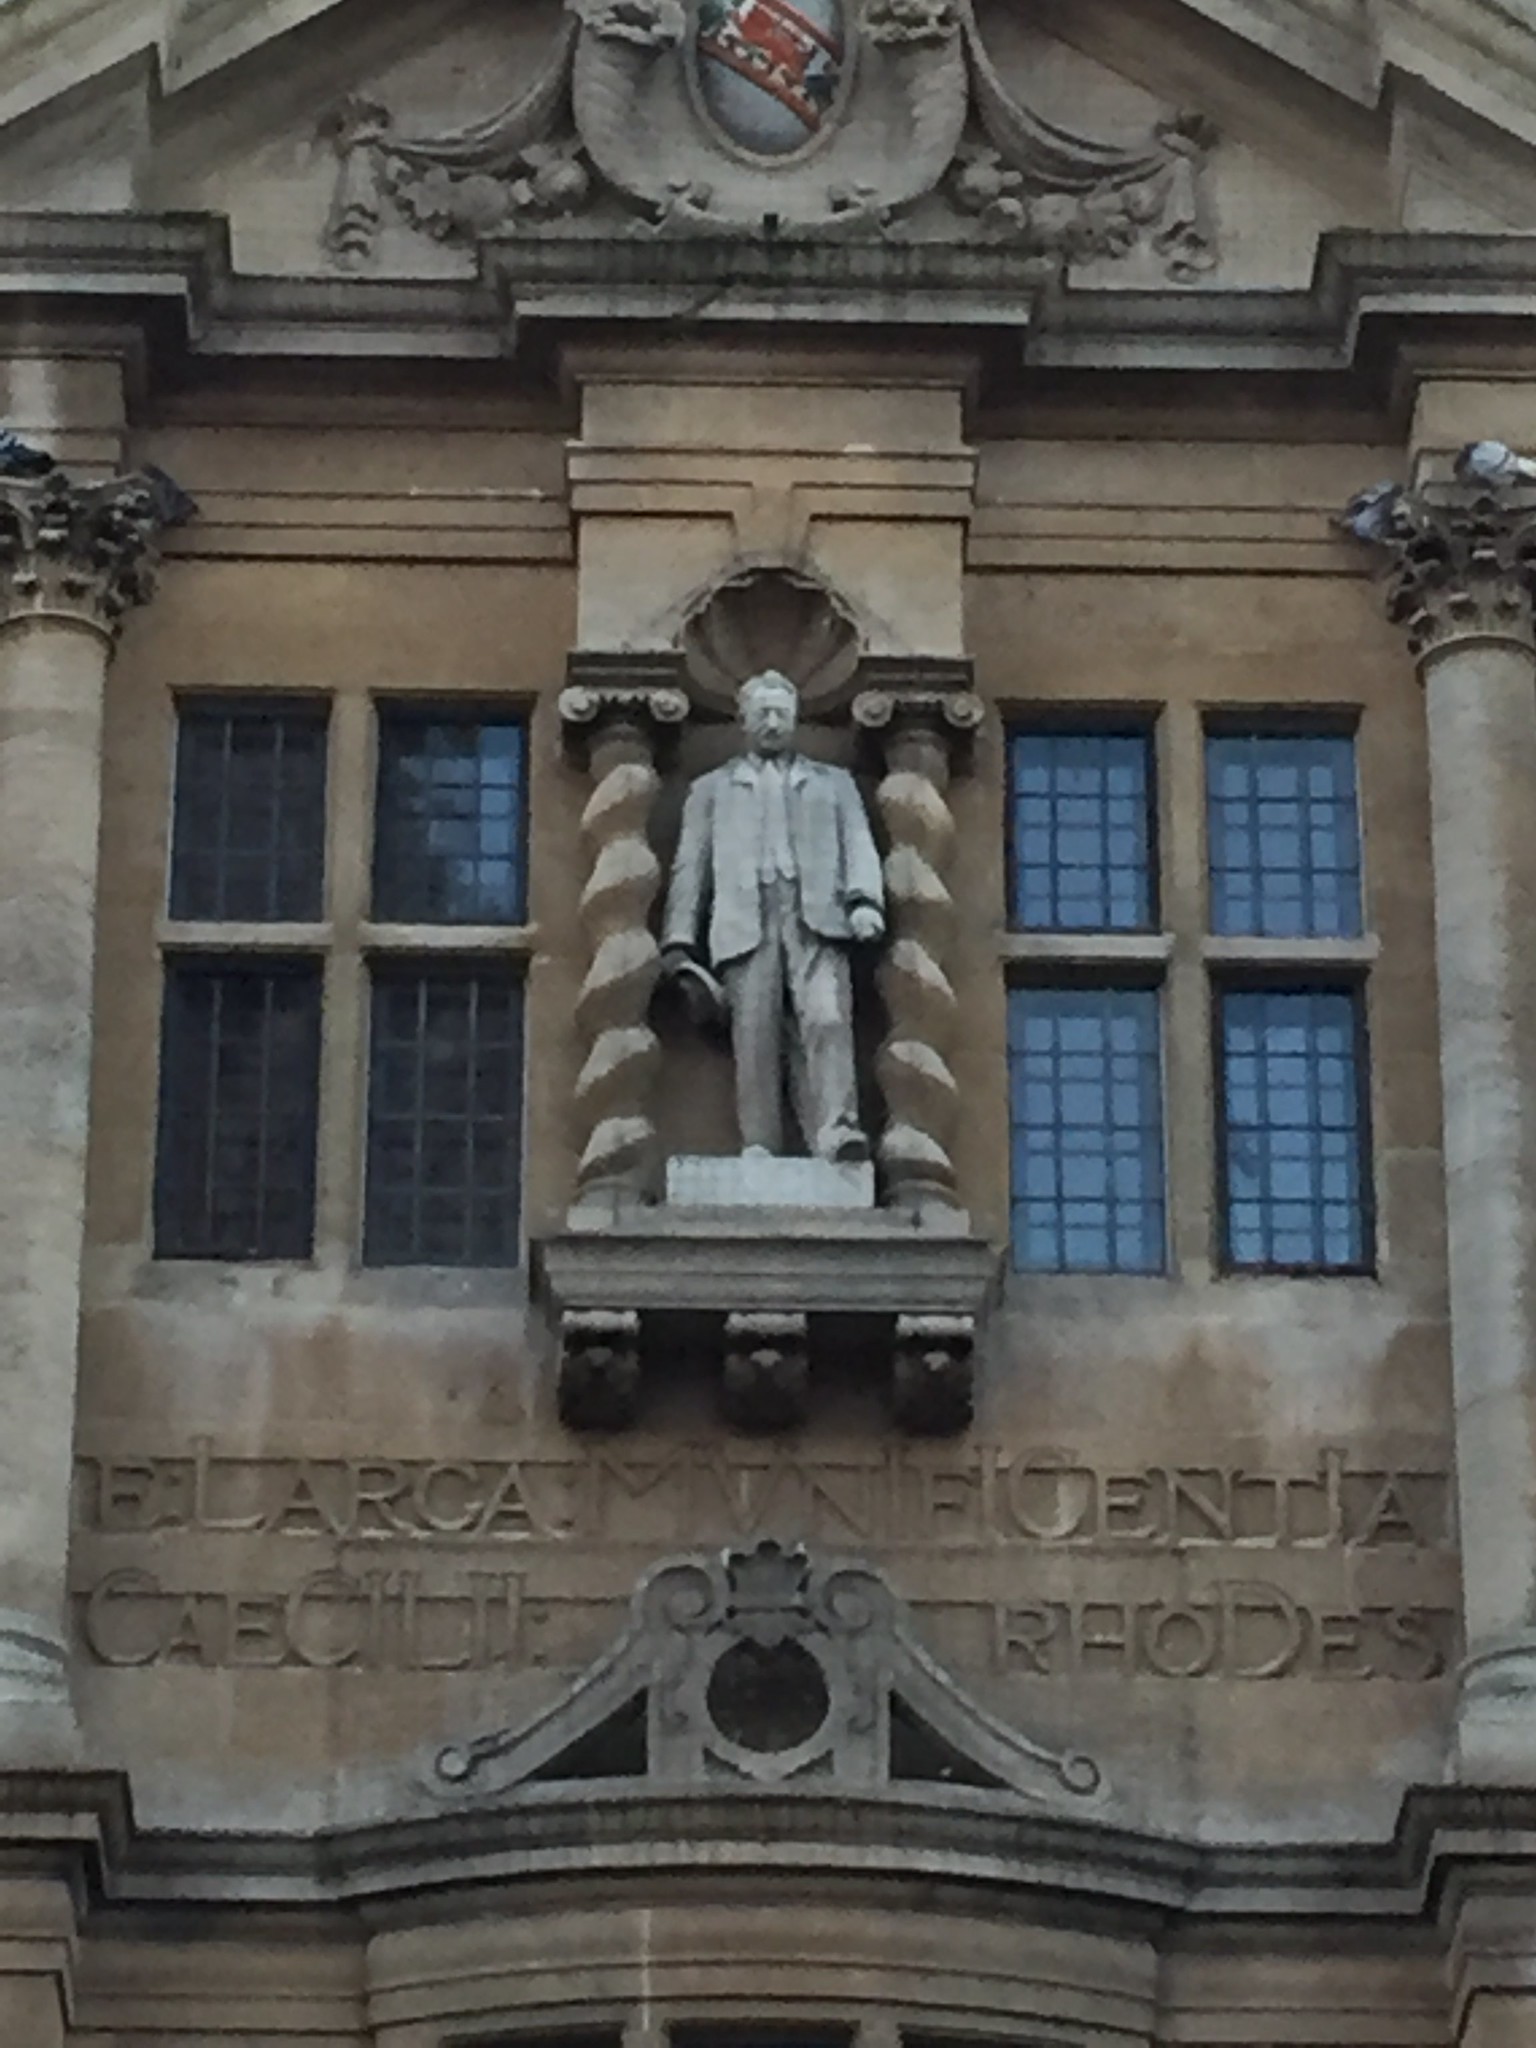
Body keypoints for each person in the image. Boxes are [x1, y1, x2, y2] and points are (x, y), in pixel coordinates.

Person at [661, 669, 885, 1162]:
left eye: (782, 713)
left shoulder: (834, 783)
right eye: (762, 713)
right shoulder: (711, 789)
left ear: (796, 719)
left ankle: (837, 1129)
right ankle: (760, 1141)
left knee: (827, 1017)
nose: (773, 722)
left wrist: (864, 901)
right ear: (743, 720)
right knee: (754, 1035)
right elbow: (689, 865)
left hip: (818, 917)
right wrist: (678, 940)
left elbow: (858, 842)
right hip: (744, 918)